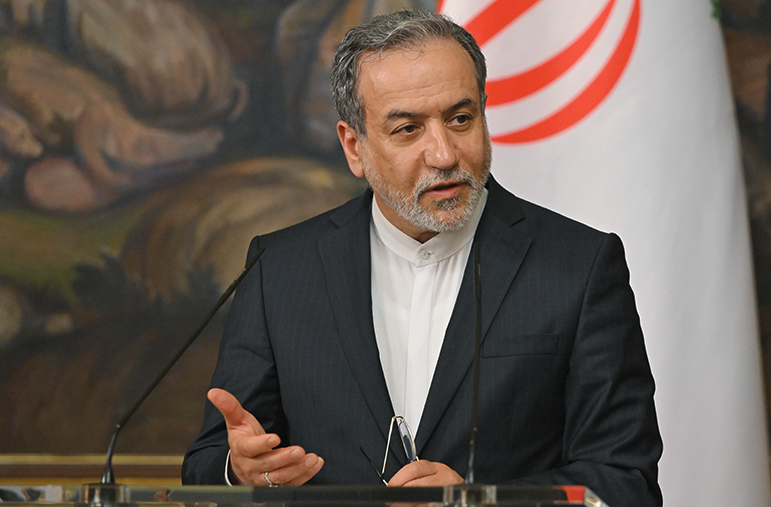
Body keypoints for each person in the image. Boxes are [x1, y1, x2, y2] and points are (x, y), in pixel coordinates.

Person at [183, 10, 662, 507]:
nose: (444, 154)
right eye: (408, 129)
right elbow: (208, 463)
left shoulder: (579, 267)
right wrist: (240, 471)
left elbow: (626, 482)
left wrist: (481, 501)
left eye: (460, 119)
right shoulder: (279, 269)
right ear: (354, 147)